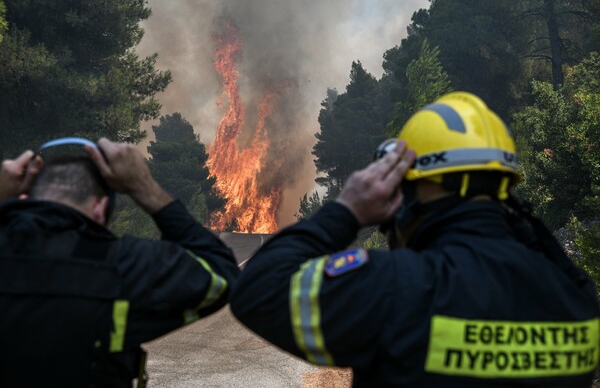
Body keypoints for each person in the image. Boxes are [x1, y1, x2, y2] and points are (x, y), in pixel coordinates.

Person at [230, 92, 600, 387]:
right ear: (505, 192)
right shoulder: (574, 300)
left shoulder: (399, 288)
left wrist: (347, 211)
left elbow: (259, 289)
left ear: (407, 193)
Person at [0, 137, 239, 388]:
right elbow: (219, 274)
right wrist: (143, 186)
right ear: (100, 209)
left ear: (25, 198)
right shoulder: (120, 264)